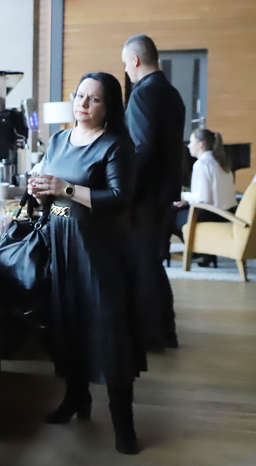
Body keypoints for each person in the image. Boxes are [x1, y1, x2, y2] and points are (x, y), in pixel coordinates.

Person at [28, 72, 145, 455]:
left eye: (94, 99)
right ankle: (75, 399)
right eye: (80, 96)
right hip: (61, 244)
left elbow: (119, 197)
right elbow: (53, 198)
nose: (83, 104)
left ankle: (124, 424)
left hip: (98, 251)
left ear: (108, 107)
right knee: (67, 326)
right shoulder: (59, 140)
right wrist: (41, 192)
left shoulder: (115, 146)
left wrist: (64, 188)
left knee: (108, 333)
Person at [122, 34, 185, 350]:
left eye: (126, 63)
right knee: (152, 263)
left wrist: (126, 192)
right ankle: (165, 332)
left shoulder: (143, 94)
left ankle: (153, 336)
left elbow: (142, 149)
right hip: (165, 193)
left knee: (144, 264)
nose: (126, 70)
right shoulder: (172, 93)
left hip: (145, 197)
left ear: (135, 60)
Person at [172, 128, 237, 242]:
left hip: (212, 216)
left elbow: (203, 199)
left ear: (200, 145)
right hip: (227, 214)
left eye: (191, 142)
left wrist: (182, 195)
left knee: (168, 215)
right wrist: (187, 201)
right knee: (177, 209)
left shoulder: (201, 164)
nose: (189, 146)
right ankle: (197, 248)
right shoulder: (222, 163)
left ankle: (193, 247)